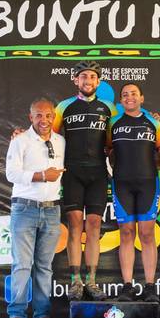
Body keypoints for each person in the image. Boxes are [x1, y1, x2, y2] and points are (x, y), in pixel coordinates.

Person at [53, 60, 116, 301]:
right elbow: (50, 137)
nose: (87, 81)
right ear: (75, 80)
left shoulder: (109, 108)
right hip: (73, 173)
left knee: (94, 226)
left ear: (98, 82)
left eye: (91, 77)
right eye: (83, 76)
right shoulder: (64, 106)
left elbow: (113, 140)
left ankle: (91, 281)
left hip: (98, 173)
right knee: (75, 225)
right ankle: (75, 281)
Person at [4, 97, 66, 318]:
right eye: (38, 115)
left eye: (48, 115)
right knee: (22, 265)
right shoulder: (20, 140)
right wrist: (41, 175)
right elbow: (11, 174)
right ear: (31, 117)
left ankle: (42, 317)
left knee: (44, 267)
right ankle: (16, 316)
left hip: (52, 209)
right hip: (25, 209)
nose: (44, 120)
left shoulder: (61, 141)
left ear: (54, 117)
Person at [107, 83, 160, 302]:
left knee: (146, 234)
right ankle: (127, 286)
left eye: (134, 94)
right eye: (125, 95)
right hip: (122, 184)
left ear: (142, 98)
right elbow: (107, 151)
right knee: (126, 233)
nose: (129, 97)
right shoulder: (113, 123)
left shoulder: (154, 122)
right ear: (121, 100)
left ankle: (150, 286)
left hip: (148, 183)